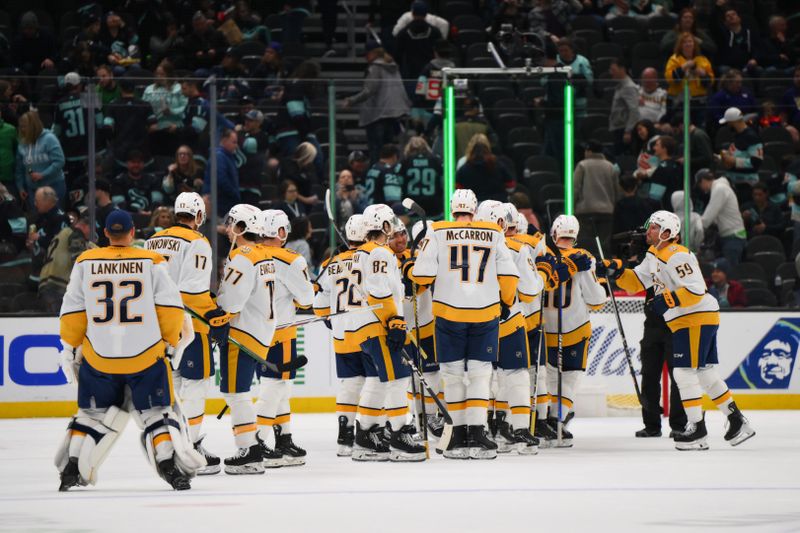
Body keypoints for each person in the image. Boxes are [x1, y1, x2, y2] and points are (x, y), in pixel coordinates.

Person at [56, 210, 202, 491]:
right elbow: (171, 308)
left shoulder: (85, 261)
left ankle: (71, 469)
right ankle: (170, 467)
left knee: (91, 415)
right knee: (156, 414)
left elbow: (72, 310)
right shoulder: (151, 260)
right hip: (145, 357)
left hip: (99, 359)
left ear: (106, 233)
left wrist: (71, 345)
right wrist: (170, 342)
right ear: (133, 232)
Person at [599, 210, 756, 450]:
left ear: (667, 232)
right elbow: (637, 282)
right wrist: (617, 271)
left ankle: (697, 430)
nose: (648, 231)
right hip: (692, 318)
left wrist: (668, 300)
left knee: (684, 373)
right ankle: (737, 420)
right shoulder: (654, 253)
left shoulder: (677, 255)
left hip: (693, 317)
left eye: (653, 227)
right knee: (704, 373)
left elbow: (695, 289)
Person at [409, 189, 519, 460]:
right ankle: (478, 432)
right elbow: (508, 274)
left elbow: (421, 275)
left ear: (452, 208)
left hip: (448, 314)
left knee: (454, 374)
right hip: (485, 313)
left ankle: (457, 433)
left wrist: (416, 267)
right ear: (474, 208)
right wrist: (504, 302)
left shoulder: (436, 230)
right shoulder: (494, 233)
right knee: (482, 374)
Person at [144, 192, 228, 475]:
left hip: (158, 325)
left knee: (175, 385)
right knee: (197, 385)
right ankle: (189, 449)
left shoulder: (152, 241)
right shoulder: (198, 242)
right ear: (199, 216)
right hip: (187, 326)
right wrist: (213, 313)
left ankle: (171, 445)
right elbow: (192, 292)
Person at [344, 203, 425, 462]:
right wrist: (394, 321)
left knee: (379, 381)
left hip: (364, 325)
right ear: (385, 226)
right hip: (379, 324)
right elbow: (379, 289)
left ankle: (364, 435)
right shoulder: (380, 253)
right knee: (397, 380)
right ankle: (399, 434)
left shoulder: (359, 253)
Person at [476, 201, 543, 455]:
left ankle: (481, 430)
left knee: (480, 376)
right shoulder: (516, 247)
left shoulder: (466, 244)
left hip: (478, 321)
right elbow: (529, 291)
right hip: (510, 321)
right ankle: (518, 430)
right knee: (515, 375)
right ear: (502, 222)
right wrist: (543, 275)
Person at [216, 204, 277, 474]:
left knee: (235, 393)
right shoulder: (264, 254)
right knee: (239, 392)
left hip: (242, 333)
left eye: (232, 224)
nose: (229, 229)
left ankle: (249, 450)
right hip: (260, 333)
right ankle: (252, 443)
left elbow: (231, 301)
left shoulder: (243, 256)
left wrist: (215, 311)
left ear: (241, 227)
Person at [255, 210, 315, 467]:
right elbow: (307, 300)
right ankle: (255, 442)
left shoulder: (247, 255)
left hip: (254, 333)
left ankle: (284, 439)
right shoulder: (292, 260)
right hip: (281, 332)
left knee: (278, 388)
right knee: (276, 387)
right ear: (281, 232)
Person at [540, 215, 606, 447]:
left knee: (547, 376)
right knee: (569, 377)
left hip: (544, 329)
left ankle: (542, 422)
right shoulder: (584, 258)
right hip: (575, 328)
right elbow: (596, 300)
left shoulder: (541, 254)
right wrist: (602, 287)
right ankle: (557, 421)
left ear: (554, 232)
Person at [313, 214, 370, 456]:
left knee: (350, 384)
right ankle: (370, 430)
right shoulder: (373, 257)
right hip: (366, 330)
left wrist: (327, 316)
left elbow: (319, 300)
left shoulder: (331, 263)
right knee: (375, 383)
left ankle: (344, 438)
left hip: (341, 332)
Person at [343, 41, 411, 163]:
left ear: (373, 53)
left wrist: (351, 100)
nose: (365, 57)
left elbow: (369, 90)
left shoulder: (375, 68)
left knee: (376, 152)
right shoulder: (393, 67)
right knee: (388, 152)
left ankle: (376, 177)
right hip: (392, 114)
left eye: (367, 54)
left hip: (377, 115)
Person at [39, 209, 96, 313]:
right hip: (58, 285)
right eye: (91, 230)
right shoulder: (76, 234)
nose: (91, 235)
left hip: (46, 283)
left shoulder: (62, 233)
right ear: (84, 226)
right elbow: (79, 261)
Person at [52, 73, 104, 185]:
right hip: (92, 150)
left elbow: (56, 131)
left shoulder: (60, 103)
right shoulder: (90, 97)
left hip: (72, 153)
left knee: (76, 185)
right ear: (79, 85)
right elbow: (100, 123)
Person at [573, 141, 620, 256]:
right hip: (607, 211)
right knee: (604, 244)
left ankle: (588, 271)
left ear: (588, 151)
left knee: (586, 244)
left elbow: (575, 188)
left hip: (586, 211)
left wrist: (573, 206)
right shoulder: (610, 166)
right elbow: (616, 190)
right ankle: (606, 270)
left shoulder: (582, 165)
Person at [15, 110, 66, 208]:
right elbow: (19, 168)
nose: (22, 129)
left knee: (54, 217)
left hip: (53, 186)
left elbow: (60, 161)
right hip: (33, 189)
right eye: (20, 126)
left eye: (24, 126)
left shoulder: (49, 139)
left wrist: (43, 174)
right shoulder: (22, 143)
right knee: (38, 219)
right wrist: (20, 187)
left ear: (33, 125)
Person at [696, 168, 747, 266]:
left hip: (733, 237)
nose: (701, 189)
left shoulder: (719, 189)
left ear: (702, 181)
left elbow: (707, 219)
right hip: (732, 236)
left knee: (730, 272)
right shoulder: (720, 188)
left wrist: (695, 227)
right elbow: (715, 218)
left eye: (699, 185)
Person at [103, 76, 154, 171]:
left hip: (121, 152)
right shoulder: (145, 104)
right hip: (142, 150)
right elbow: (154, 127)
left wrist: (115, 139)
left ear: (120, 88)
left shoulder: (113, 105)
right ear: (134, 88)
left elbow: (107, 127)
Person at [665, 33, 714, 126]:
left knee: (700, 127)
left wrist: (701, 73)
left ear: (694, 44)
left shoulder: (703, 60)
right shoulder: (674, 59)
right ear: (680, 45)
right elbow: (669, 78)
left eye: (690, 41)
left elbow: (710, 81)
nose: (688, 44)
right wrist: (684, 67)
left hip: (699, 102)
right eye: (684, 42)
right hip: (679, 102)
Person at [142, 59, 187, 156]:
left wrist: (172, 111)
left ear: (169, 75)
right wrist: (148, 124)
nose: (159, 77)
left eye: (162, 74)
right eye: (157, 74)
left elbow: (185, 108)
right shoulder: (149, 89)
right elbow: (143, 108)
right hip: (154, 129)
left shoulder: (179, 88)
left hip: (173, 128)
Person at [394, 2, 443, 87]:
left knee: (413, 97)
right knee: (432, 97)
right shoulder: (435, 32)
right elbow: (441, 51)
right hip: (431, 72)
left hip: (410, 72)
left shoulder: (403, 33)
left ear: (412, 13)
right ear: (426, 14)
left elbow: (398, 55)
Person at [28, 186, 69, 286]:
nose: (35, 204)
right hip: (40, 261)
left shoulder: (60, 218)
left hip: (56, 266)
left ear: (47, 201)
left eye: (37, 201)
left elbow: (59, 245)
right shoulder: (40, 214)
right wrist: (31, 242)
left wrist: (38, 239)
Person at [456, 133, 514, 202]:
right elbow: (511, 185)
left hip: (473, 205)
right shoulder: (498, 164)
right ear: (487, 147)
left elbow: (458, 188)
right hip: (498, 203)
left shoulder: (463, 165)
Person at [717, 107, 763, 185]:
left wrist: (734, 161)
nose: (727, 125)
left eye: (728, 123)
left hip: (747, 183)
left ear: (733, 122)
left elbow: (756, 162)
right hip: (733, 180)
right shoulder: (737, 135)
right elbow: (738, 153)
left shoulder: (751, 137)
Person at [712, 5, 761, 78]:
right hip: (728, 66)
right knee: (724, 70)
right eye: (728, 16)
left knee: (759, 70)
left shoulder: (749, 33)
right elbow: (713, 24)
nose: (731, 16)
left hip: (746, 65)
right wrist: (717, 8)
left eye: (733, 14)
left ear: (739, 18)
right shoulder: (722, 34)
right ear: (725, 22)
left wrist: (754, 59)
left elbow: (757, 48)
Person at [401, 136, 443, 218]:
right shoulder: (436, 160)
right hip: (434, 207)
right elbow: (443, 184)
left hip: (412, 208)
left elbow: (400, 185)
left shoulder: (405, 162)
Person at [202, 129, 240, 219]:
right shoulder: (219, 156)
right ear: (224, 141)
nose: (236, 146)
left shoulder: (227, 157)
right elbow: (221, 180)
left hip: (223, 203)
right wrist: (234, 194)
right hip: (219, 204)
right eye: (234, 142)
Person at [111, 150, 164, 214]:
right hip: (128, 216)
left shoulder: (153, 179)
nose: (136, 165)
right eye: (133, 162)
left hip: (150, 215)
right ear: (127, 163)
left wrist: (151, 212)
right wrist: (137, 212)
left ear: (143, 164)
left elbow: (157, 201)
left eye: (139, 162)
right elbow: (119, 204)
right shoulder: (118, 181)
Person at [608, 58, 640, 155]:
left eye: (613, 70)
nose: (611, 72)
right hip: (618, 128)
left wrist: (628, 131)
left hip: (624, 129)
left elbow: (634, 110)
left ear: (622, 69)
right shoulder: (620, 85)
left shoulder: (628, 87)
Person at [10, 11, 57, 76]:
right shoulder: (18, 40)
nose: (27, 31)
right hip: (26, 71)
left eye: (30, 28)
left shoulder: (46, 35)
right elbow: (15, 61)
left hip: (44, 67)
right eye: (25, 28)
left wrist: (51, 60)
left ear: (36, 27)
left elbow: (54, 52)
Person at [644, 135, 683, 209]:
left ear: (664, 149)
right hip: (676, 206)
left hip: (665, 209)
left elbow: (655, 197)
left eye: (657, 145)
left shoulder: (662, 169)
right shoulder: (676, 165)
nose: (654, 148)